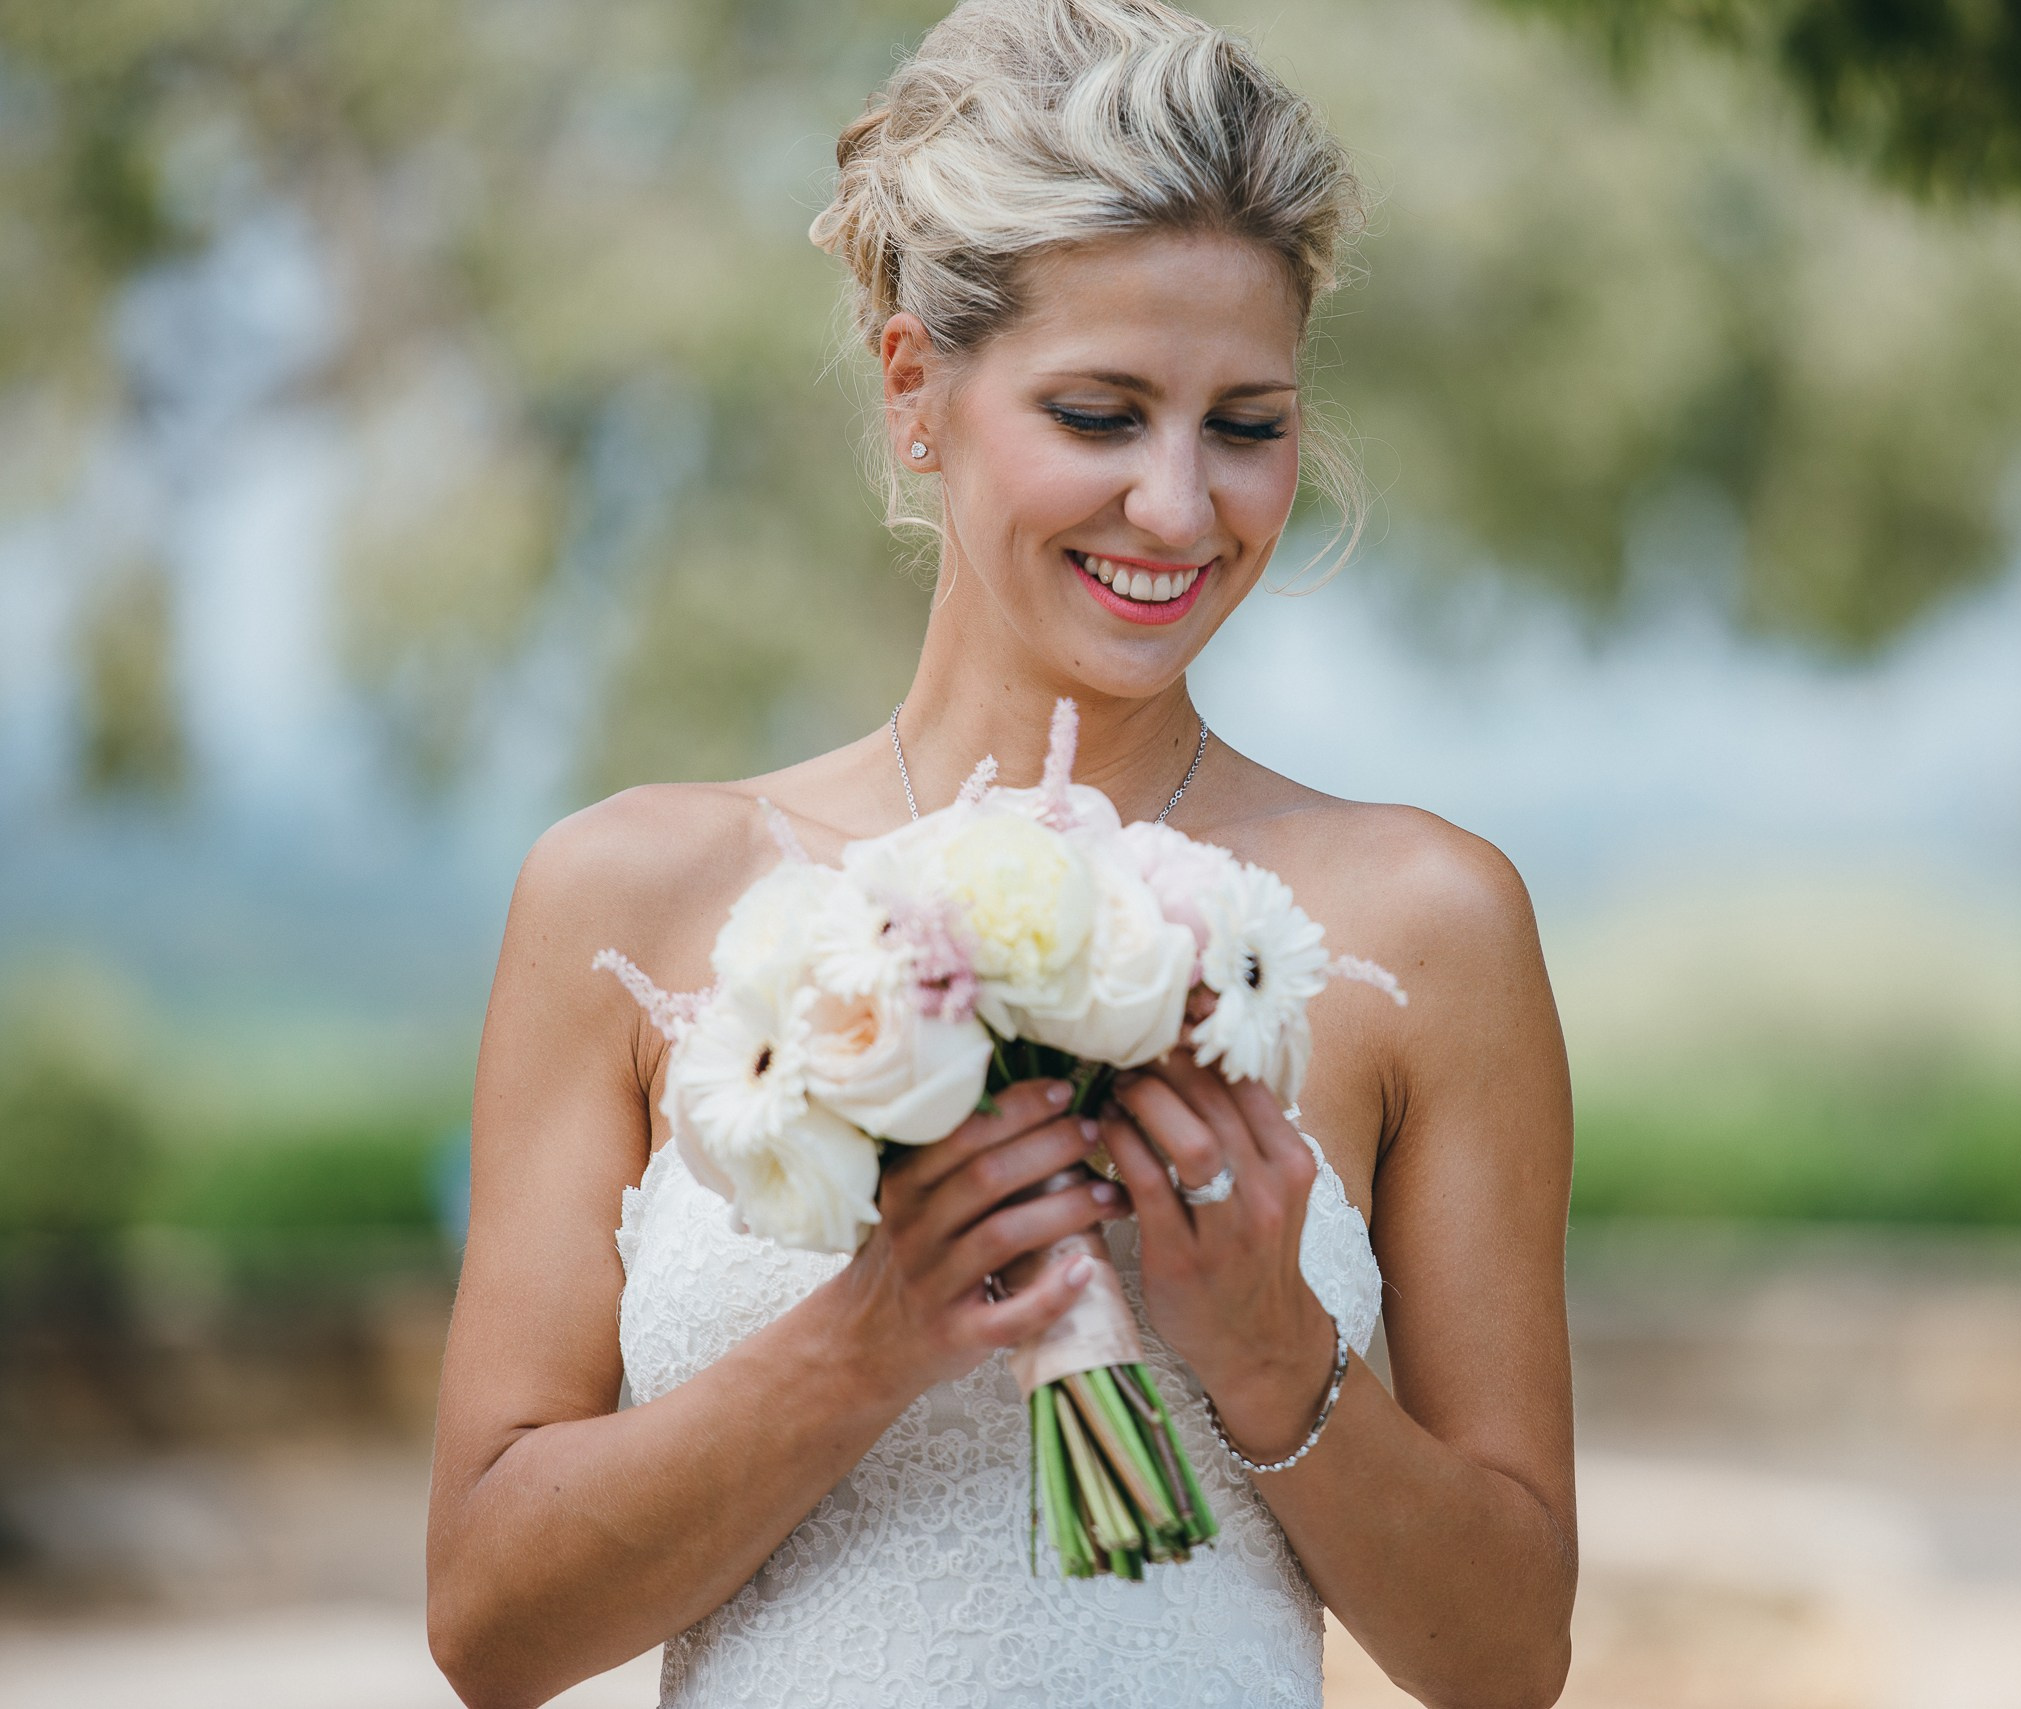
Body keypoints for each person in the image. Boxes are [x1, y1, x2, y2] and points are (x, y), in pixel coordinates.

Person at [422, 4, 1578, 1706]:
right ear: (918, 390)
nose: (1181, 508)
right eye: (1101, 414)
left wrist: (1269, 1347)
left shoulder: (1426, 925)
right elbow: (490, 1628)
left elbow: (1506, 1660)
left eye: (1244, 425)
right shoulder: (627, 900)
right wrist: (870, 1336)